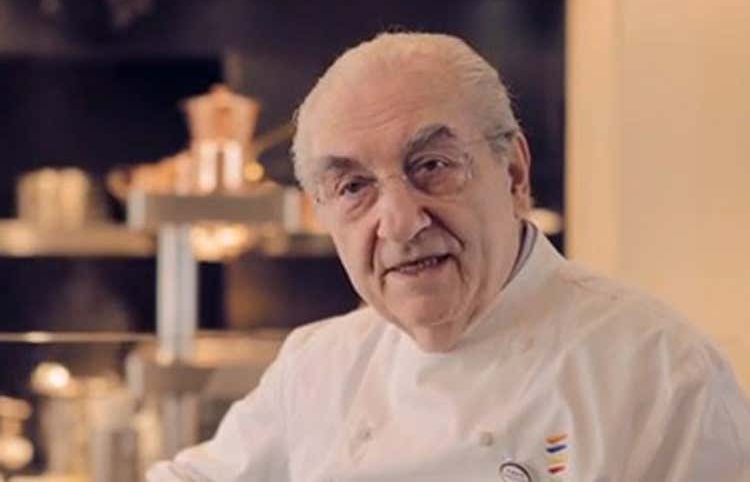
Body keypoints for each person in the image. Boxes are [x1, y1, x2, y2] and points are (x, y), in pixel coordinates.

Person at [147, 32, 750, 482]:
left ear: (513, 174)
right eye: (354, 187)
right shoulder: (317, 367)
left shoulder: (660, 374)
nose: (400, 222)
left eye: (432, 165)